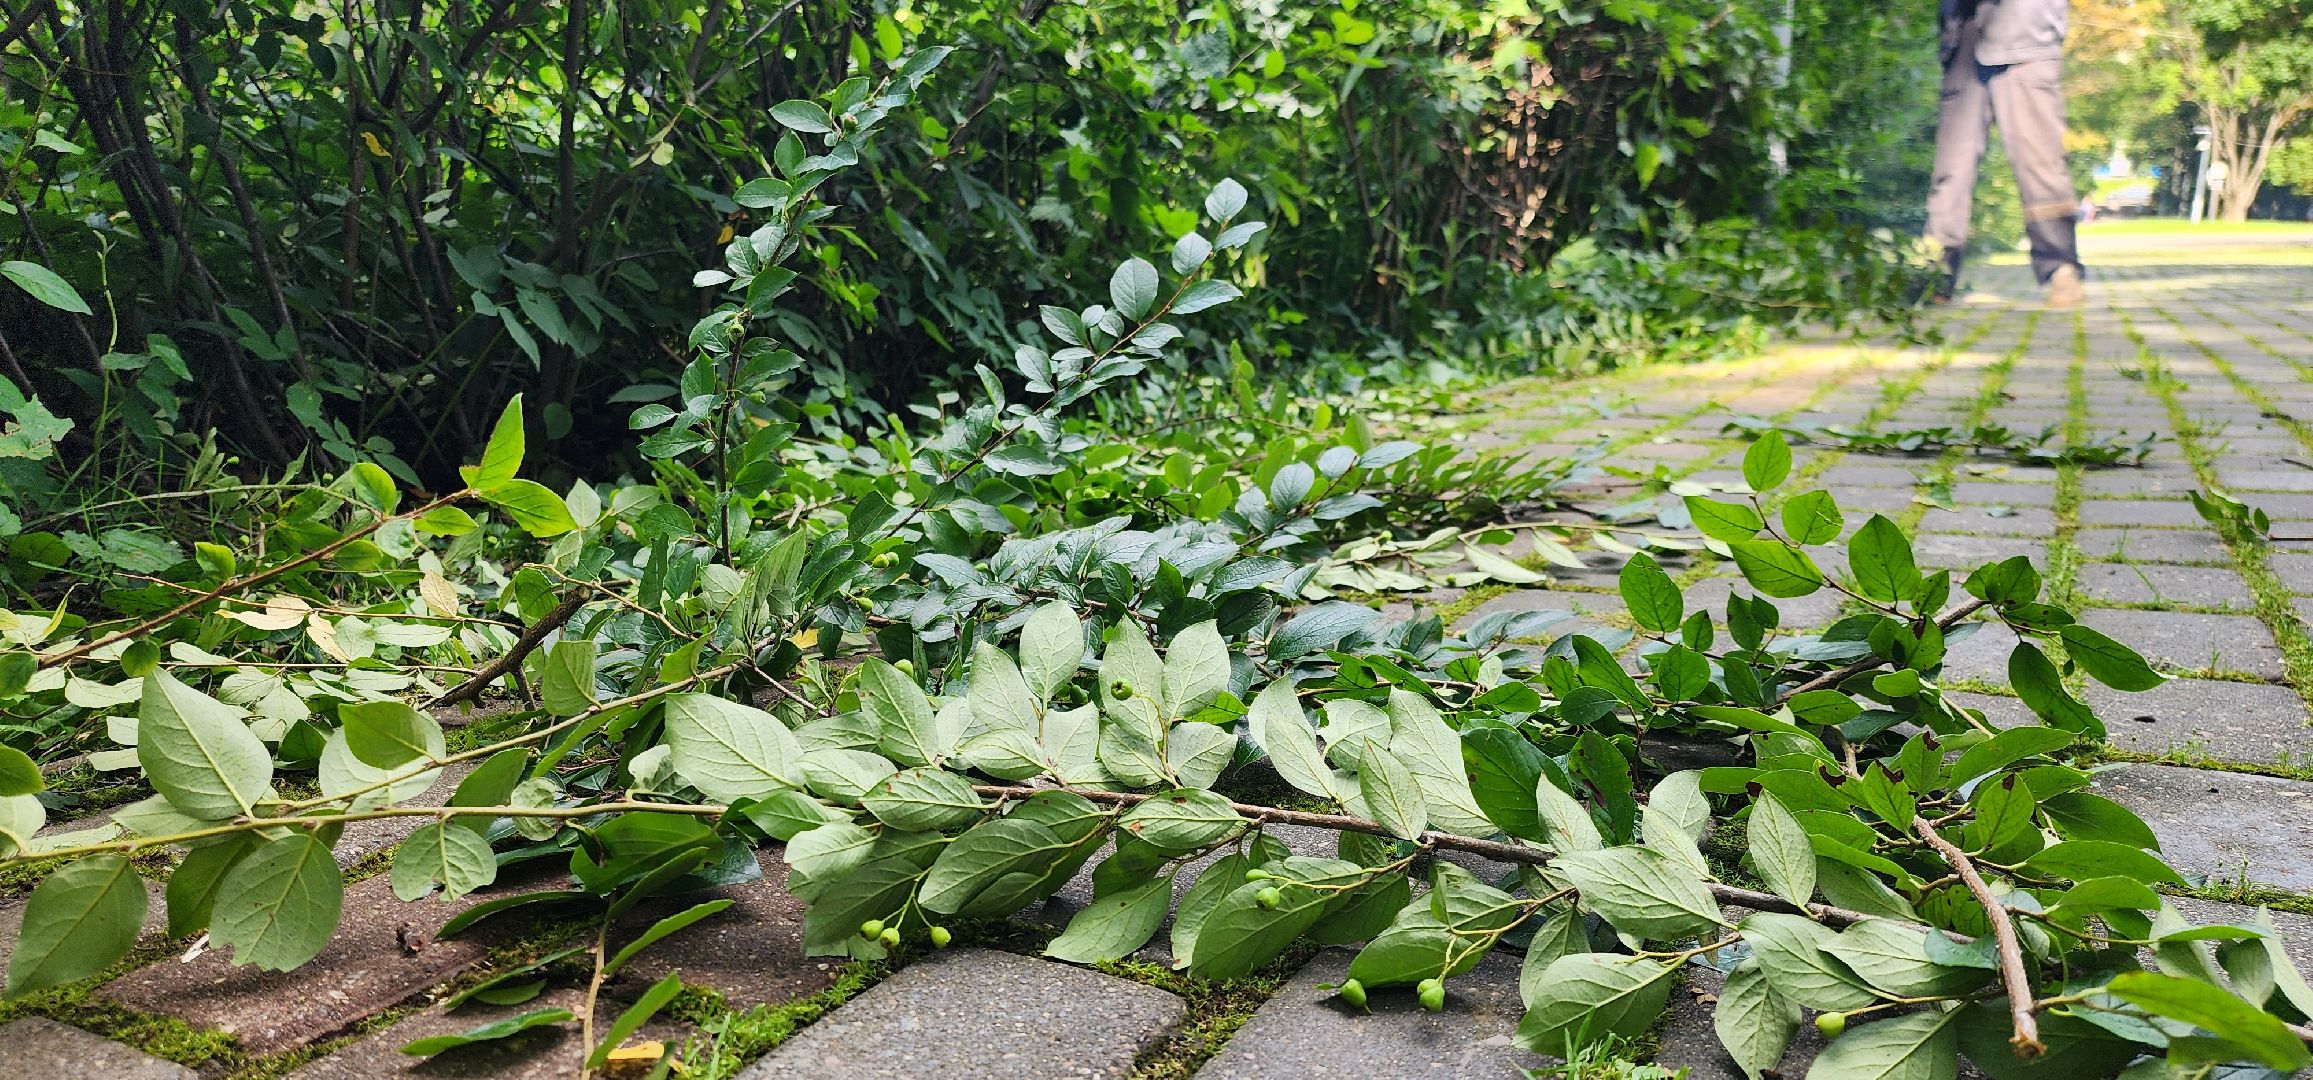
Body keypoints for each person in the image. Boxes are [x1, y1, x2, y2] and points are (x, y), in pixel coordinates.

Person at [1924, 0, 2085, 307]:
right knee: (1950, 173)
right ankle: (1936, 274)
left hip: (2029, 38)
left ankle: (2060, 269)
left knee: (2041, 166)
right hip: (1965, 42)